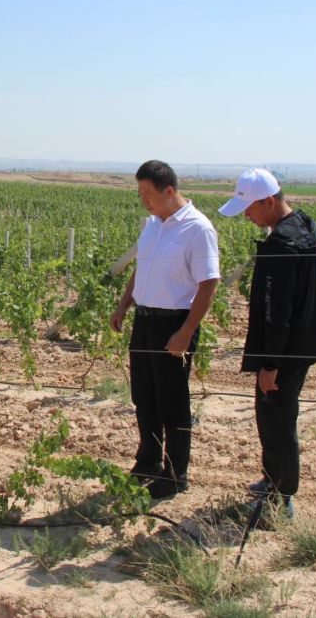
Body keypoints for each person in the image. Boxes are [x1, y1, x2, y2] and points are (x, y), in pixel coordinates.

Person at [219, 168, 316, 519]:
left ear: (269, 201)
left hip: (285, 350)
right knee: (278, 414)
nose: (246, 215)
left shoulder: (281, 246)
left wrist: (270, 365)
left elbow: (277, 313)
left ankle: (280, 500)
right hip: (303, 342)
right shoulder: (304, 225)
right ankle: (274, 480)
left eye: (249, 208)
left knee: (275, 418)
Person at [110, 160, 220, 499]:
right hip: (145, 320)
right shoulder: (153, 224)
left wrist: (187, 331)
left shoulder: (198, 228)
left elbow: (208, 283)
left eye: (148, 194)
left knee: (172, 401)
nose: (143, 200)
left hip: (174, 323)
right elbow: (141, 269)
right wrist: (124, 304)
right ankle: (148, 462)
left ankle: (176, 473)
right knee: (144, 396)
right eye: (140, 193)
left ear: (169, 191)